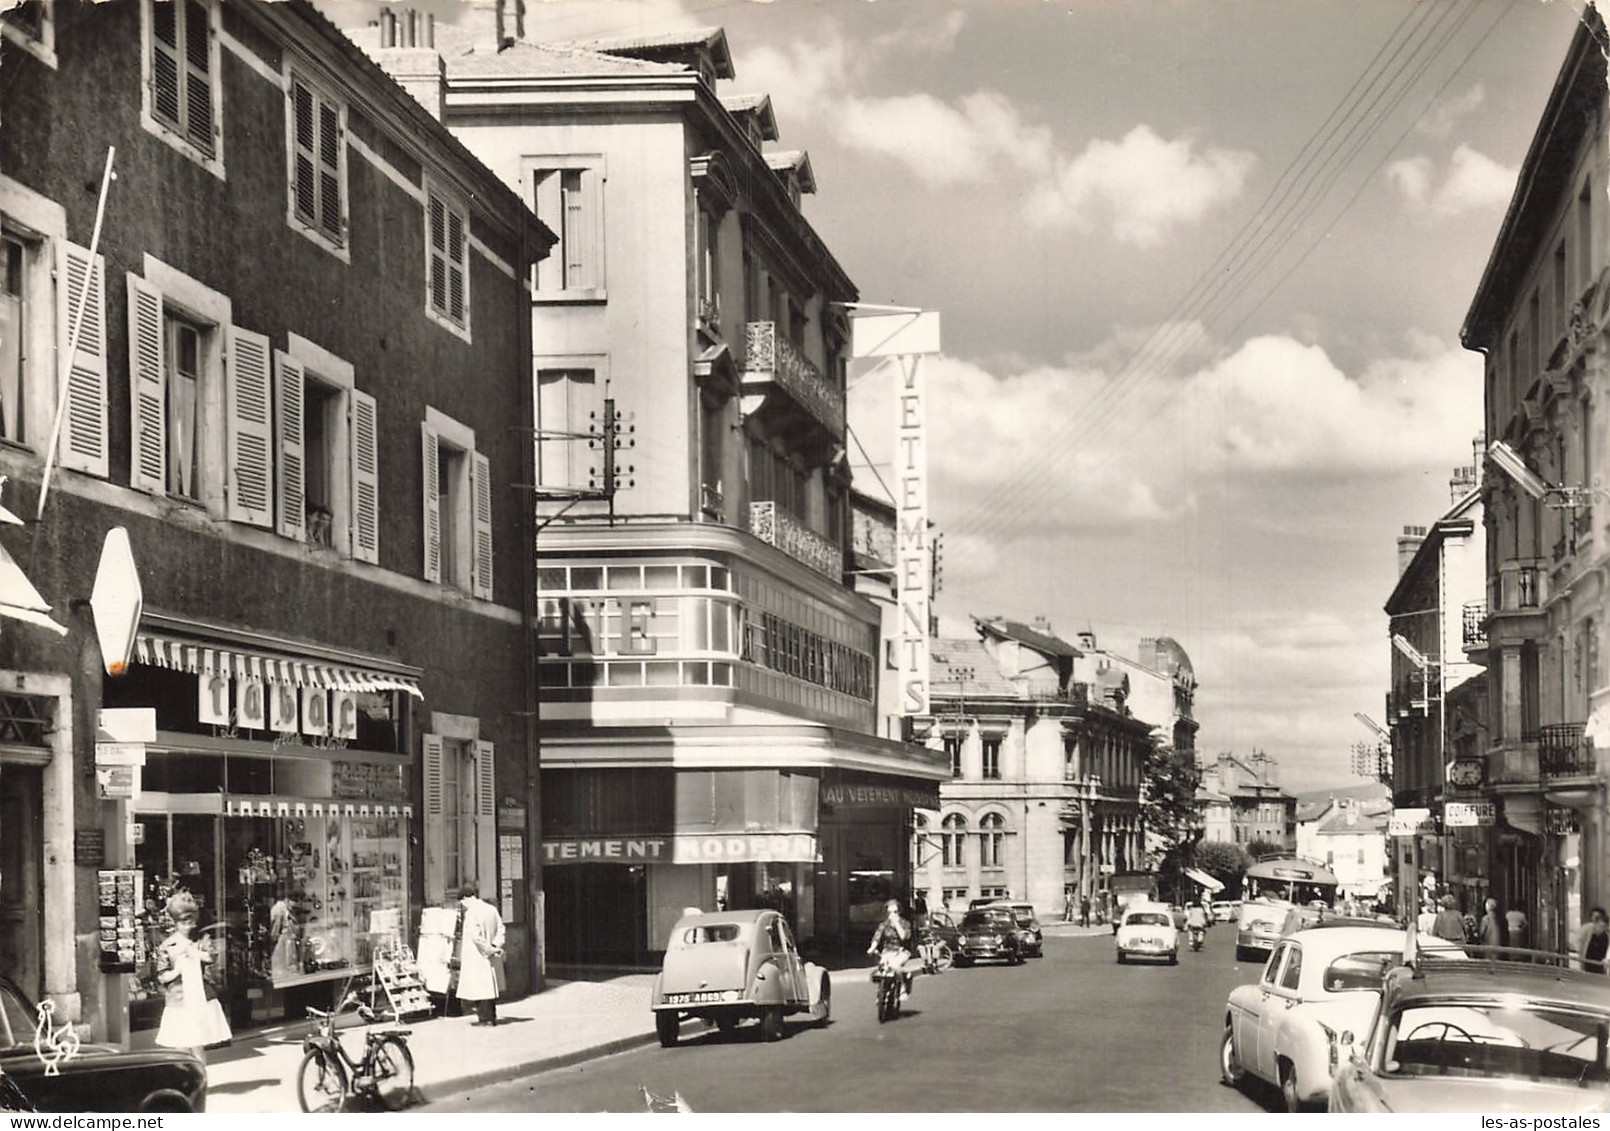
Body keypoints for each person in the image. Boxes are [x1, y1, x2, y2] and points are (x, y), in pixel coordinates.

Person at [154, 891, 231, 1060]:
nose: (188, 925)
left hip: (199, 998)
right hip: (178, 1000)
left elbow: (212, 957)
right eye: (184, 922)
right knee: (180, 1047)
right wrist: (176, 971)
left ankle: (201, 1080)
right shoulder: (167, 945)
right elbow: (161, 976)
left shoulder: (201, 940)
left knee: (197, 1044)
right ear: (176, 923)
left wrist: (193, 952)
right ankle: (185, 1081)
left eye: (191, 921)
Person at [454, 880, 506, 1026]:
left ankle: (485, 1019)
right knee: (489, 988)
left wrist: (488, 949)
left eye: (462, 903)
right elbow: (501, 929)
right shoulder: (491, 909)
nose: (462, 906)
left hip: (478, 956)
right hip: (489, 954)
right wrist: (495, 945)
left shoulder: (471, 913)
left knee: (480, 989)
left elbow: (476, 937)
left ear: (466, 898)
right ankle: (491, 1017)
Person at [867, 899, 917, 997]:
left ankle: (902, 987)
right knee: (882, 967)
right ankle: (881, 992)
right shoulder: (884, 925)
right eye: (889, 912)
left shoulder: (905, 923)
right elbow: (877, 936)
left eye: (895, 912)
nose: (892, 914)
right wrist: (872, 947)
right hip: (887, 951)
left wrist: (897, 924)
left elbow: (904, 937)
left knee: (894, 965)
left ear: (899, 912)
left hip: (901, 951)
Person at [1582, 907, 1609, 974]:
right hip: (1587, 963)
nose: (1600, 929)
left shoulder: (1606, 937)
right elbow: (1582, 947)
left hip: (1601, 965)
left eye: (1603, 927)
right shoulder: (1588, 932)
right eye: (1599, 926)